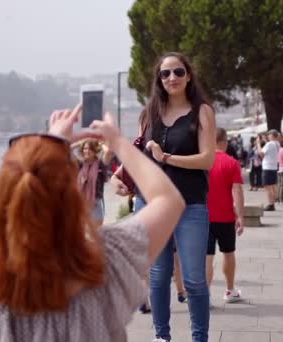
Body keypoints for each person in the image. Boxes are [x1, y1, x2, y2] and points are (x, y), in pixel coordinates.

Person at [0, 105, 186, 341]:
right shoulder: (107, 259)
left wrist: (51, 144)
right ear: (73, 195)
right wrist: (117, 141)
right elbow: (168, 199)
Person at [111, 52, 215, 342]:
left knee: (193, 280)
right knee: (157, 277)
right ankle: (162, 337)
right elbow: (138, 151)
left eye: (178, 72)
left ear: (189, 76)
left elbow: (207, 160)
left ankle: (199, 338)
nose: (172, 78)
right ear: (159, 79)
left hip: (190, 204)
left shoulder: (202, 112)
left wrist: (167, 157)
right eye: (165, 73)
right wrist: (119, 175)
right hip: (151, 203)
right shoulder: (149, 113)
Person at [205, 128, 245, 304]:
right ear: (225, 142)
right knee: (228, 253)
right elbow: (237, 190)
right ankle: (229, 291)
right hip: (226, 216)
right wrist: (240, 216)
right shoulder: (231, 163)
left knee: (206, 256)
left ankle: (204, 295)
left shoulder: (202, 161)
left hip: (203, 216)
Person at [77, 139, 113, 226]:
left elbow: (108, 152)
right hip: (80, 204)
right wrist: (78, 144)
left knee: (97, 234)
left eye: (90, 149)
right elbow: (66, 150)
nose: (87, 151)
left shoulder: (100, 164)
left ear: (94, 151)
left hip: (95, 204)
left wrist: (101, 144)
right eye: (85, 148)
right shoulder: (80, 164)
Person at [257, 130, 280, 211]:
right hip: (273, 166)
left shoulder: (269, 144)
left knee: (268, 187)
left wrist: (258, 143)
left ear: (272, 136)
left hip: (267, 167)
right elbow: (269, 149)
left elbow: (261, 153)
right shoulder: (277, 143)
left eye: (269, 135)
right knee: (272, 185)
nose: (267, 136)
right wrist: (265, 140)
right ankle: (273, 201)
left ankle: (271, 204)